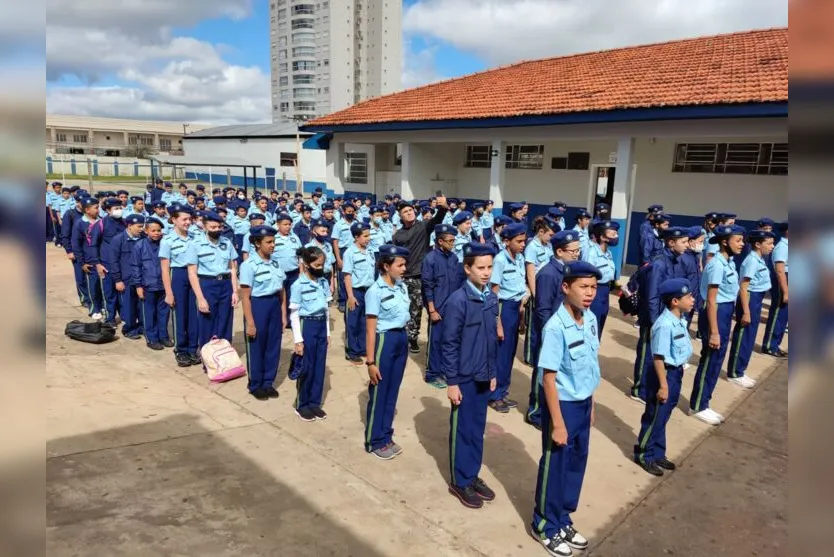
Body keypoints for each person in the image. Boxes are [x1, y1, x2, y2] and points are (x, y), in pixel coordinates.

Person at [531, 261, 602, 557]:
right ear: (565, 287)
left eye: (594, 287)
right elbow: (548, 377)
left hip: (583, 403)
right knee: (555, 464)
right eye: (583, 287)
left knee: (576, 463)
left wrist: (592, 402)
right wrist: (558, 422)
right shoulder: (555, 327)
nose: (589, 293)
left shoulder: (591, 319)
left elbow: (591, 365)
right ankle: (544, 524)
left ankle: (563, 519)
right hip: (562, 406)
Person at [442, 242, 499, 508]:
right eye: (481, 268)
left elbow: (490, 340)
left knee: (477, 430)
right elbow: (449, 344)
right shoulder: (458, 301)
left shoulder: (490, 297)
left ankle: (472, 474)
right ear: (467, 268)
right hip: (464, 377)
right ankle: (460, 481)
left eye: (489, 267)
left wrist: (493, 373)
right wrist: (452, 382)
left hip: (483, 375)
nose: (486, 272)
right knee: (463, 431)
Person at [634, 277, 694, 476]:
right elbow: (658, 357)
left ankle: (657, 452)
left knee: (664, 415)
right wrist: (663, 385)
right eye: (688, 296)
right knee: (655, 416)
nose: (692, 299)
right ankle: (643, 453)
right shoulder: (664, 324)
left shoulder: (679, 321)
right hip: (664, 374)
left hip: (675, 373)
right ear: (675, 301)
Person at [689, 224, 746, 425]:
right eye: (738, 240)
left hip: (723, 312)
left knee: (717, 359)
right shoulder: (717, 265)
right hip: (715, 313)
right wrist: (713, 332)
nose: (742, 244)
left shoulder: (729, 262)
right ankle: (698, 405)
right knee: (710, 359)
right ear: (724, 241)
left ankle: (705, 401)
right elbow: (711, 300)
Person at [526, 231, 582, 430]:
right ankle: (535, 411)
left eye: (578, 250)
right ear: (559, 251)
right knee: (543, 373)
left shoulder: (567, 270)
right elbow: (542, 309)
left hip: (564, 331)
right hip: (550, 332)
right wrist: (550, 335)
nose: (576, 254)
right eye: (573, 251)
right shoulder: (549, 273)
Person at [631, 226, 689, 403]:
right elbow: (652, 296)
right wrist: (655, 321)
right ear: (671, 243)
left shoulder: (674, 261)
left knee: (657, 353)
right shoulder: (659, 263)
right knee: (647, 353)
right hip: (653, 317)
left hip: (664, 315)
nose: (687, 245)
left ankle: (648, 385)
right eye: (684, 242)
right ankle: (638, 389)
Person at [363, 244, 411, 459]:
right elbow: (371, 329)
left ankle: (386, 435)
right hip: (384, 340)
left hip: (401, 338)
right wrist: (371, 362)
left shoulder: (401, 286)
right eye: (399, 265)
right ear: (385, 265)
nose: (404, 269)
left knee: (393, 390)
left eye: (404, 264)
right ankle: (374, 441)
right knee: (380, 391)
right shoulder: (375, 292)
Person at [393, 196, 449, 353]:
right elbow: (396, 257)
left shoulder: (423, 226)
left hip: (426, 274)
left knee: (434, 307)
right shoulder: (398, 235)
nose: (409, 213)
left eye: (410, 210)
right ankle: (412, 337)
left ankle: (434, 337)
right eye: (405, 211)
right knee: (414, 310)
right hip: (409, 277)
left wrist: (443, 207)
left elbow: (437, 219)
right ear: (401, 216)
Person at [239, 225, 287, 401]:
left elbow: (282, 291)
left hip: (274, 305)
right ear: (257, 243)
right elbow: (245, 296)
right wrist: (250, 322)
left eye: (274, 241)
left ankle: (268, 382)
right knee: (257, 345)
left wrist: (283, 315)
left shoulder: (276, 263)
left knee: (273, 345)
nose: (273, 245)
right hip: (258, 306)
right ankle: (255, 384)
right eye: (269, 242)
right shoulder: (248, 265)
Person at [726, 229, 776, 386]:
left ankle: (741, 370)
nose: (772, 246)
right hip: (749, 298)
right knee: (743, 336)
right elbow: (743, 287)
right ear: (757, 244)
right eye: (769, 243)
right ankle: (734, 372)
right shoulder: (752, 261)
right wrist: (746, 312)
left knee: (749, 336)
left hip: (757, 298)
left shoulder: (760, 259)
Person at [489, 222, 530, 413]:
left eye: (524, 241)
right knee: (501, 354)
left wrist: (521, 315)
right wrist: (497, 323)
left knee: (510, 352)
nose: (523, 244)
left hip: (515, 308)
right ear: (507, 241)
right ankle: (494, 395)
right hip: (503, 308)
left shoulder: (519, 258)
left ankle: (503, 392)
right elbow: (494, 292)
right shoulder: (500, 260)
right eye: (519, 241)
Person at [289, 245, 332, 419]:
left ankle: (315, 402)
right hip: (307, 325)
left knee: (319, 366)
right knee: (306, 366)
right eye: (317, 265)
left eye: (322, 264)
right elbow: (294, 314)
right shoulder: (299, 285)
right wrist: (298, 340)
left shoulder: (323, 282)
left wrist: (328, 332)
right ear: (306, 264)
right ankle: (302, 404)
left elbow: (326, 309)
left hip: (321, 325)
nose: (320, 268)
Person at [421, 224, 465, 389]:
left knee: (449, 342)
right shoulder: (430, 259)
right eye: (450, 241)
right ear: (440, 241)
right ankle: (432, 374)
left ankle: (445, 371)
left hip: (451, 308)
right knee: (435, 341)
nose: (453, 243)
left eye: (454, 240)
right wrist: (432, 310)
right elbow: (428, 286)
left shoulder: (453, 258)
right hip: (437, 309)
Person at [187, 211, 239, 347]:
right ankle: (209, 358)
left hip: (226, 285)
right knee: (207, 323)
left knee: (226, 321)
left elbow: (232, 268)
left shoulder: (227, 242)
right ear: (204, 227)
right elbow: (192, 273)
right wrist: (200, 298)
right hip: (207, 285)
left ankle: (224, 357)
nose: (217, 230)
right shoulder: (195, 244)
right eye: (213, 227)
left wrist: (235, 291)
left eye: (219, 227)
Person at [160, 204, 201, 366]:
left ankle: (192, 347)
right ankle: (181, 350)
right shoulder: (167, 240)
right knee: (179, 315)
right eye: (184, 219)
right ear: (174, 220)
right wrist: (168, 292)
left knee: (193, 314)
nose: (188, 222)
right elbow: (164, 269)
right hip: (178, 276)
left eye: (189, 219)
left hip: (194, 275)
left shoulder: (195, 237)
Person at [133, 217, 173, 351]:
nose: (156, 233)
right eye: (153, 230)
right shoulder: (140, 245)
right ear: (146, 231)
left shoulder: (165, 243)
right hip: (147, 285)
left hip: (163, 285)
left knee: (164, 313)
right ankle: (152, 338)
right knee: (149, 313)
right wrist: (138, 285)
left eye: (159, 230)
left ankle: (163, 336)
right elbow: (136, 267)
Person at [523, 217, 557, 365]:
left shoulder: (547, 246)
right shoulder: (532, 246)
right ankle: (530, 356)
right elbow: (530, 272)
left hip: (546, 288)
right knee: (532, 326)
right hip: (535, 289)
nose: (551, 238)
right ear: (541, 231)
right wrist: (535, 294)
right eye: (550, 235)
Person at [89, 198, 127, 327]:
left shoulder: (124, 223)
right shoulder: (100, 224)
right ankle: (110, 318)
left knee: (122, 292)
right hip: (106, 264)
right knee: (109, 293)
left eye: (120, 208)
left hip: (121, 264)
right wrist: (97, 264)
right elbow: (93, 245)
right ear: (107, 210)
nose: (119, 210)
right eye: (116, 208)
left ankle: (124, 316)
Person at [108, 214, 147, 339]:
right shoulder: (118, 240)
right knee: (129, 306)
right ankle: (129, 329)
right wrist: (117, 280)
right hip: (127, 278)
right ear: (129, 226)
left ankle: (142, 327)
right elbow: (113, 261)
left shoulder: (144, 238)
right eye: (139, 226)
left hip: (141, 278)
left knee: (142, 305)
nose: (141, 229)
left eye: (143, 226)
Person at [343, 221, 375, 364]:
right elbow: (347, 275)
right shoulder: (350, 252)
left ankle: (362, 348)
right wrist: (350, 296)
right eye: (365, 236)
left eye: (369, 235)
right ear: (356, 237)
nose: (369, 238)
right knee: (352, 322)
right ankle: (352, 351)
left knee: (364, 321)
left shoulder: (370, 251)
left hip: (368, 291)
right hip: (355, 291)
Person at [582, 220, 619, 339]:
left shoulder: (608, 253)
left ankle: (594, 348)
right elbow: (586, 276)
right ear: (602, 237)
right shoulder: (592, 252)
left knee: (601, 320)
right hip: (594, 290)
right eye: (612, 234)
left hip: (605, 291)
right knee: (592, 322)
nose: (616, 236)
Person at [72, 197, 107, 320]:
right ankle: (94, 308)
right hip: (89, 261)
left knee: (102, 285)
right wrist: (81, 262)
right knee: (92, 287)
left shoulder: (101, 221)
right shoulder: (80, 223)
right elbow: (76, 244)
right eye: (96, 207)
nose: (98, 210)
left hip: (101, 259)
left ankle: (103, 305)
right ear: (87, 210)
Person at [762, 222, 789, 357]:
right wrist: (785, 290)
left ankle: (775, 344)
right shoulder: (782, 247)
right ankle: (770, 346)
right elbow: (779, 270)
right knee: (778, 315)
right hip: (783, 281)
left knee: (784, 316)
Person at [272, 213, 303, 321]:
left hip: (293, 273)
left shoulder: (294, 238)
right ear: (278, 225)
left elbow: (300, 256)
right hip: (279, 274)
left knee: (292, 296)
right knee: (279, 297)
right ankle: (280, 319)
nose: (288, 227)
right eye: (285, 224)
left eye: (289, 224)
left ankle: (291, 319)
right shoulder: (273, 239)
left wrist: (301, 271)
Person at [333, 202, 357, 312]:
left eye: (352, 212)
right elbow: (335, 242)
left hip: (355, 251)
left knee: (353, 276)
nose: (351, 214)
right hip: (343, 251)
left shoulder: (357, 224)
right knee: (342, 277)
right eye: (349, 212)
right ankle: (342, 301)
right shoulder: (338, 225)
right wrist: (338, 258)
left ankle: (352, 298)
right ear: (343, 212)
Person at [681, 226, 705, 331]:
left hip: (691, 300)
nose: (702, 245)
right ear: (691, 242)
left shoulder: (695, 256)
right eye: (701, 241)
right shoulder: (684, 259)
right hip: (683, 302)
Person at [305, 218, 336, 295]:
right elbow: (304, 268)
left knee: (326, 302)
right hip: (314, 278)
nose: (325, 234)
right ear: (314, 232)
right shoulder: (308, 247)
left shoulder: (328, 246)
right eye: (322, 231)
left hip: (327, 277)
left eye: (326, 232)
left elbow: (331, 265)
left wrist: (332, 283)